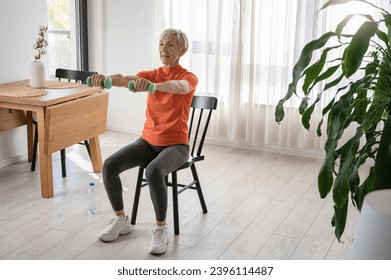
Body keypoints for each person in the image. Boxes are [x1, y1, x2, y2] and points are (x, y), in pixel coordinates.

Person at [91, 28, 198, 255]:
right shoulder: (152, 73)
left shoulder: (188, 77)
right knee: (109, 166)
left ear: (182, 50)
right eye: (161, 44)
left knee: (152, 171)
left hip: (177, 145)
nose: (164, 49)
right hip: (148, 142)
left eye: (170, 45)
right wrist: (106, 81)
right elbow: (125, 79)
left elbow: (180, 88)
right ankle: (122, 220)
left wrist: (152, 87)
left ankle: (161, 229)